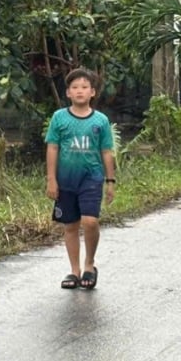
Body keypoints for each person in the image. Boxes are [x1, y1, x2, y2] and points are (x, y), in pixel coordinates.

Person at [45, 67, 116, 290]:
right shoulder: (59, 118)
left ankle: (89, 264)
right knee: (71, 225)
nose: (79, 91)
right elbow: (53, 147)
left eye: (84, 87)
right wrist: (51, 179)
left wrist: (110, 181)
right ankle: (74, 271)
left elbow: (106, 151)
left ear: (92, 92)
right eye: (75, 87)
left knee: (90, 221)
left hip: (91, 178)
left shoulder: (101, 121)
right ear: (68, 93)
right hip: (66, 180)